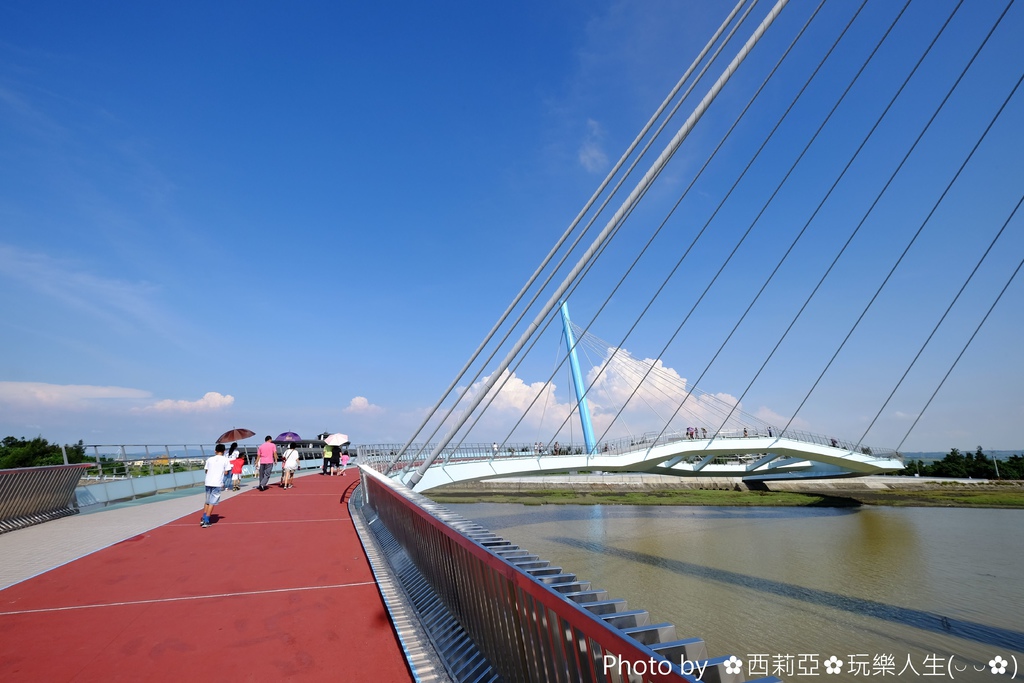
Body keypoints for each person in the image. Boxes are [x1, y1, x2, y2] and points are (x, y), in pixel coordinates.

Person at [201, 444, 231, 528]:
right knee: (212, 502)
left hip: (208, 481)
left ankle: (203, 517)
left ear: (215, 451)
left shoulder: (210, 459)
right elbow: (226, 472)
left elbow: (206, 471)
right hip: (217, 483)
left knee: (207, 500)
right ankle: (206, 520)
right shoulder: (225, 460)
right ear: (224, 451)